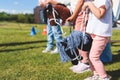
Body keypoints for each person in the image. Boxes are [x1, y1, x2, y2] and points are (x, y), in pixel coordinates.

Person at [81, 0, 112, 80]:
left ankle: (104, 77)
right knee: (90, 56)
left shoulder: (104, 1)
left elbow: (100, 14)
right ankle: (96, 74)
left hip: (101, 34)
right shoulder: (96, 1)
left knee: (94, 57)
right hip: (95, 33)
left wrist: (89, 4)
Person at [66, 0, 91, 73]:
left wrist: (73, 16)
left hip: (81, 12)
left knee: (81, 37)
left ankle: (86, 63)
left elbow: (81, 1)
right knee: (77, 37)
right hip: (78, 13)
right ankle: (82, 60)